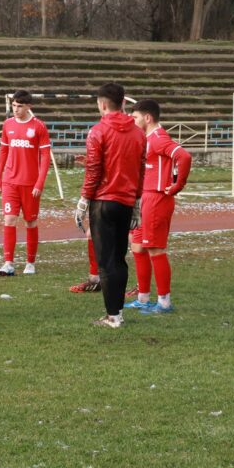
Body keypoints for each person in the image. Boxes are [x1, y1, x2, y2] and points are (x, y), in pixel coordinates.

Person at [74, 83, 145, 328]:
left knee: (106, 262)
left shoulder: (98, 131)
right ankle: (118, 313)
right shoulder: (138, 133)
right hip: (125, 202)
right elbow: (139, 169)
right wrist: (136, 202)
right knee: (119, 259)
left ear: (102, 104)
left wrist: (84, 200)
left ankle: (112, 316)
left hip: (103, 201)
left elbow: (94, 170)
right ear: (123, 103)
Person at [125, 100, 192, 315]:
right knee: (137, 246)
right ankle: (143, 297)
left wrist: (176, 185)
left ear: (147, 118)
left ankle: (164, 302)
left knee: (155, 249)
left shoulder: (159, 139)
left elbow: (184, 156)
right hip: (143, 199)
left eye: (135, 118)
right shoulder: (145, 139)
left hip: (156, 199)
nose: (132, 122)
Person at [0, 90, 51, 276]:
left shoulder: (38, 127)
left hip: (30, 184)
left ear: (29, 107)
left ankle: (30, 262)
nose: (16, 109)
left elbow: (45, 158)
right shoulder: (7, 125)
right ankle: (8, 263)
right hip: (10, 181)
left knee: (30, 222)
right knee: (9, 219)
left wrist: (39, 183)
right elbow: (3, 152)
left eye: (19, 106)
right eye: (14, 106)